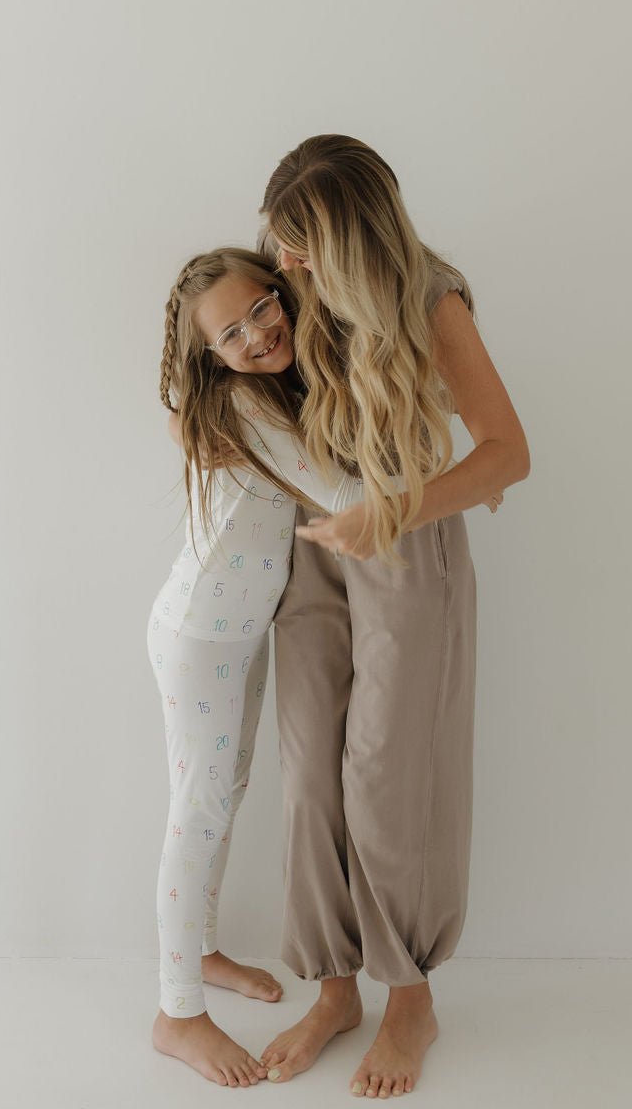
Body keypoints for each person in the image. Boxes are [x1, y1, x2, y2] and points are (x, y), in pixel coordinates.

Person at [253, 134, 530, 1099]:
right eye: (279, 240)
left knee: (383, 779)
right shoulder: (290, 288)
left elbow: (507, 452)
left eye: (300, 241)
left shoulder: (430, 299)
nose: (285, 260)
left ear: (349, 236)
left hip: (407, 546)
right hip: (313, 544)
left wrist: (394, 512)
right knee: (307, 775)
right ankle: (334, 992)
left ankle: (411, 997)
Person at [150, 246, 358, 1088]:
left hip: (238, 632)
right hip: (202, 633)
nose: (256, 335)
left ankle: (202, 951)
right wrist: (451, 482)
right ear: (211, 356)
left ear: (282, 291)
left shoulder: (267, 392)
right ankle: (177, 1012)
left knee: (222, 793)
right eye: (230, 334)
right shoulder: (244, 403)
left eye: (262, 309)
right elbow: (342, 496)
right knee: (199, 806)